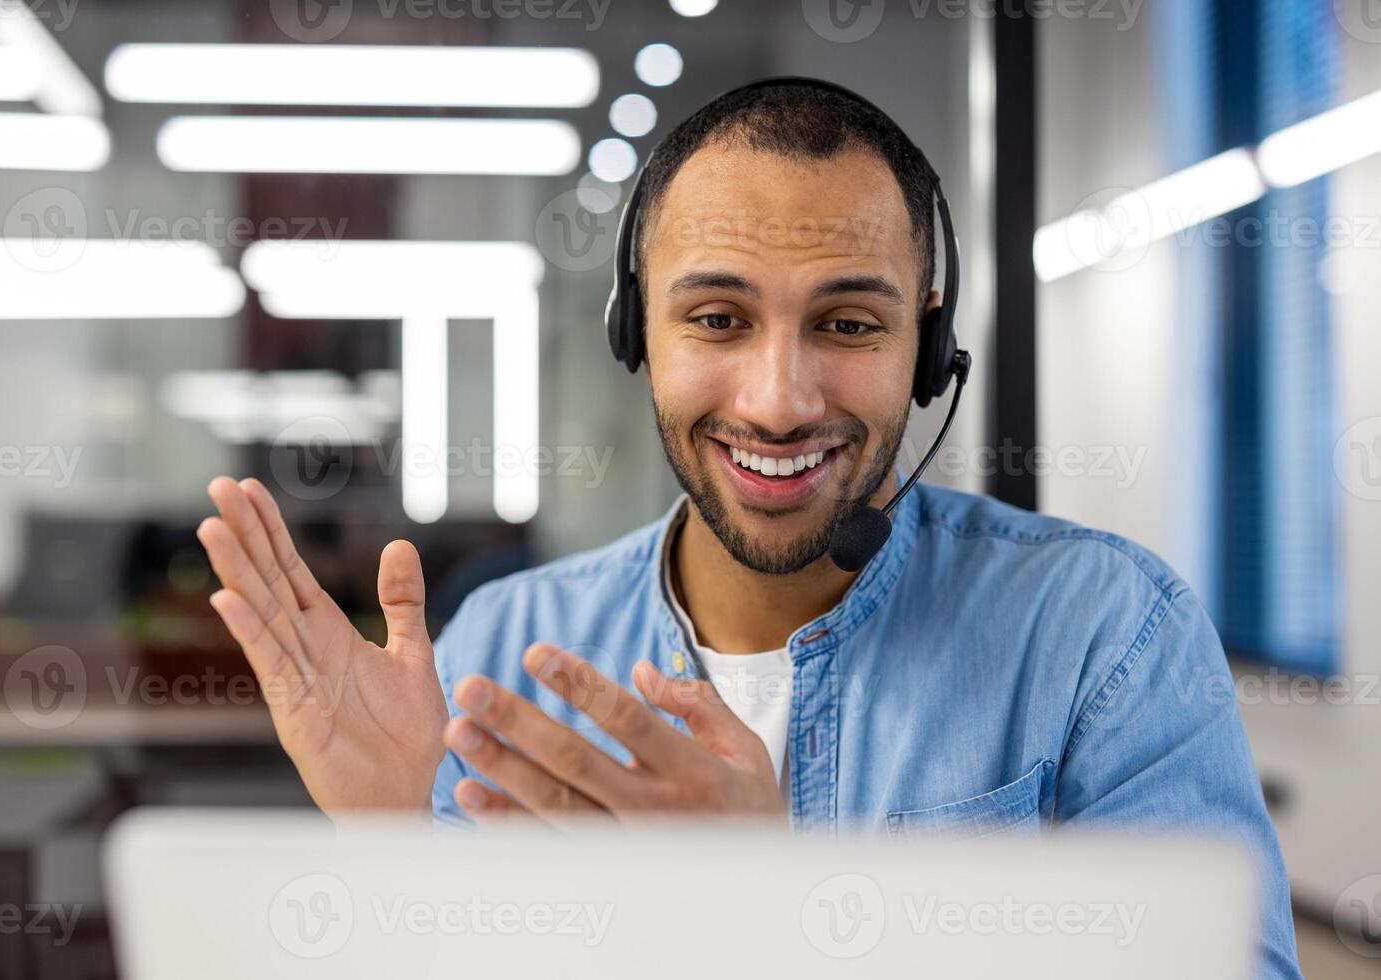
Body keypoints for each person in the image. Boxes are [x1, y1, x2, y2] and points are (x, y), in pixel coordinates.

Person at [196, 78, 1299, 977]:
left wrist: (785, 916)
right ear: (640, 333)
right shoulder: (502, 646)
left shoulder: (1104, 635)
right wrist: (396, 866)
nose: (779, 398)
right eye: (718, 318)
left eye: (848, 321)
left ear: (930, 349)